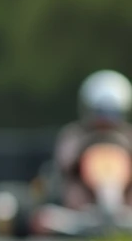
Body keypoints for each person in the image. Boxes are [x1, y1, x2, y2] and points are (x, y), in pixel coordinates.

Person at [52, 70, 132, 207]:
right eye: (101, 113)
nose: (105, 120)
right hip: (81, 202)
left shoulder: (128, 135)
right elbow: (64, 165)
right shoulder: (74, 134)